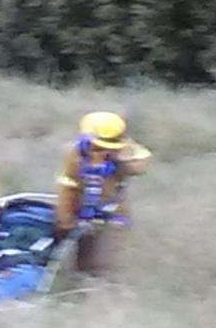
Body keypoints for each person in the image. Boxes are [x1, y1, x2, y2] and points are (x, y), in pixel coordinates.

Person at [54, 110, 151, 274]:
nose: (100, 149)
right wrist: (64, 218)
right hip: (81, 215)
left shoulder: (126, 152)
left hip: (113, 217)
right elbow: (66, 185)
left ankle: (102, 290)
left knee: (106, 265)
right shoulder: (73, 152)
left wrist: (120, 157)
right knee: (81, 263)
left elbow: (140, 163)